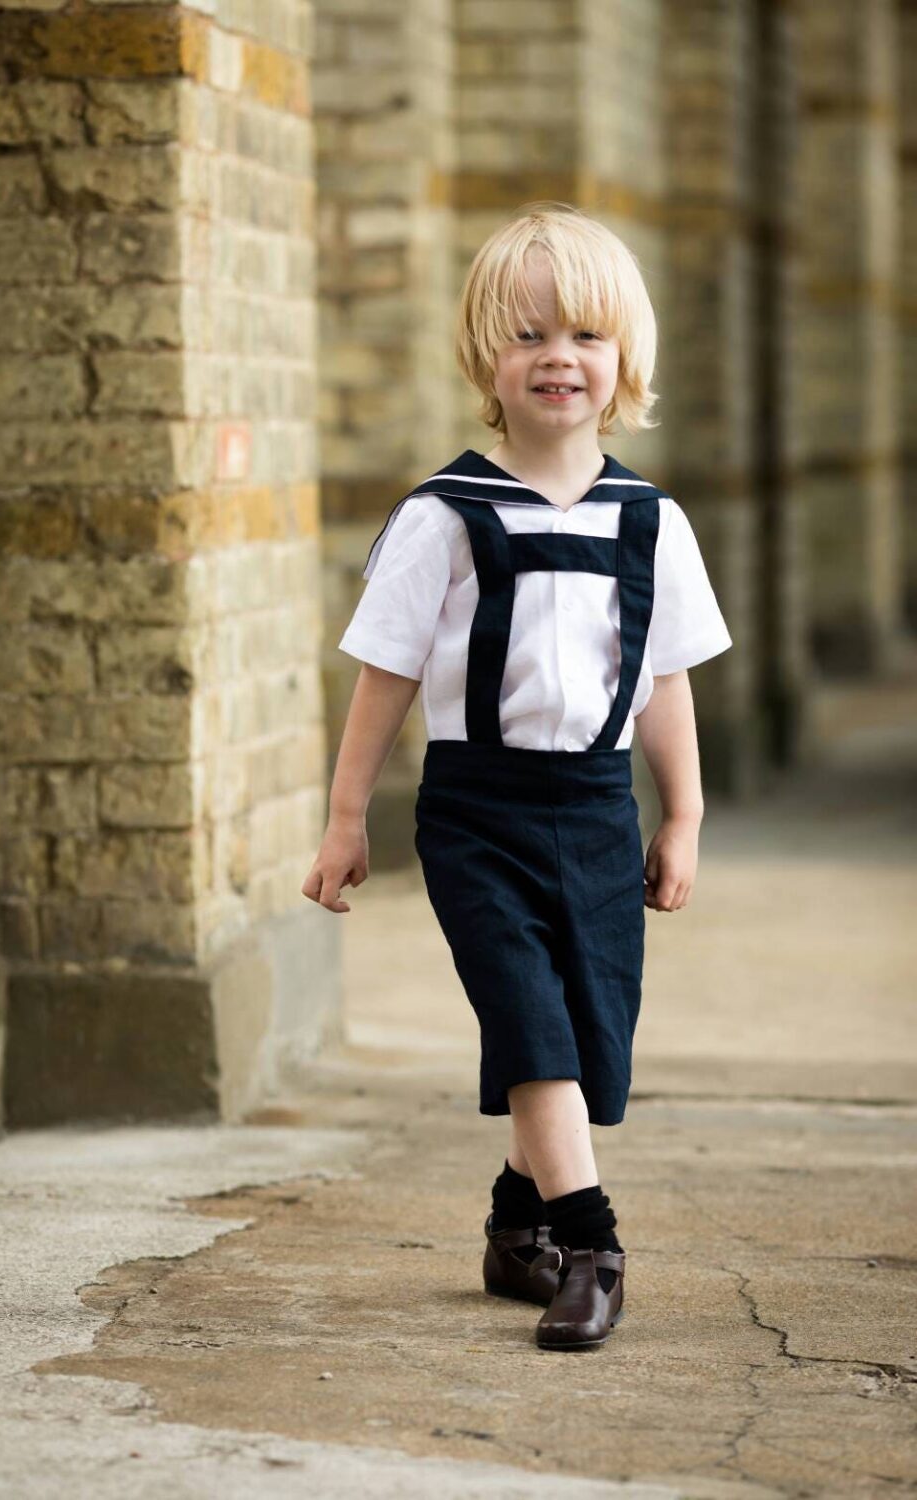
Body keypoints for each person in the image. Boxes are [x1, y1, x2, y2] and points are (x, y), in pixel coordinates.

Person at [302, 202, 733, 1351]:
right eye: (528, 334)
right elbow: (384, 676)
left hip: (596, 807)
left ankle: (513, 1226)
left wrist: (683, 815)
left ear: (624, 356)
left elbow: (665, 679)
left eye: (586, 334)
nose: (558, 357)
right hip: (476, 813)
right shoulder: (444, 515)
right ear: (484, 356)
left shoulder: (650, 522)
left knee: (584, 1034)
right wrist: (345, 818)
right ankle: (592, 1247)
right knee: (529, 1018)